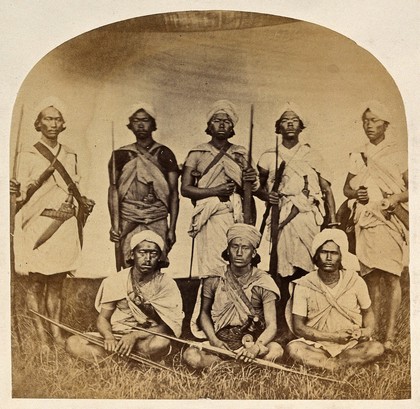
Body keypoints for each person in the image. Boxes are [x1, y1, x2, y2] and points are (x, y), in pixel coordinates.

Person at [10, 105, 94, 350]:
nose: (54, 124)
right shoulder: (27, 154)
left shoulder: (70, 154)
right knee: (36, 282)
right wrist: (14, 190)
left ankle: (56, 335)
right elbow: (20, 195)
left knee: (57, 282)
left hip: (64, 223)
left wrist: (83, 202)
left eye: (58, 119)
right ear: (39, 123)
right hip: (36, 224)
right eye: (48, 119)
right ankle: (41, 337)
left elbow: (73, 188)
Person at [256, 103, 337, 315]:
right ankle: (281, 318)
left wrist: (333, 222)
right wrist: (268, 196)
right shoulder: (268, 156)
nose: (290, 124)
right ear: (278, 126)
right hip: (281, 215)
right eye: (285, 120)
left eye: (294, 120)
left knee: (308, 265)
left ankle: (308, 315)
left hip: (307, 215)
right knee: (281, 268)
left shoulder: (312, 155)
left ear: (301, 126)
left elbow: (326, 189)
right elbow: (258, 187)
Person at [343, 101, 408, 351]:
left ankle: (389, 336)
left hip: (390, 219)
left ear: (386, 124)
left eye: (375, 120)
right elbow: (347, 188)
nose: (369, 125)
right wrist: (355, 194)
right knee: (370, 277)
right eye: (366, 121)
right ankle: (371, 333)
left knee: (391, 277)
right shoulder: (358, 154)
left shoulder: (398, 153)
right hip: (366, 220)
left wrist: (394, 199)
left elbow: (412, 188)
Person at [65, 230, 184, 362]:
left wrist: (134, 335)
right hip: (117, 335)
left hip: (147, 336)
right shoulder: (116, 280)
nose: (148, 259)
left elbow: (167, 326)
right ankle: (130, 358)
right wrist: (108, 337)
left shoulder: (166, 284)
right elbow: (103, 318)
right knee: (73, 342)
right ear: (132, 254)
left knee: (161, 342)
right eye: (142, 253)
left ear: (160, 257)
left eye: (153, 254)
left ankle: (113, 358)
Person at [183, 224, 283, 369]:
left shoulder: (264, 282)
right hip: (221, 341)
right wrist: (214, 341)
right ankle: (244, 367)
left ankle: (225, 367)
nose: (239, 252)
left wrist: (255, 348)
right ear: (228, 250)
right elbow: (203, 313)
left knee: (276, 350)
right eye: (235, 247)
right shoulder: (214, 278)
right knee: (191, 355)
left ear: (254, 253)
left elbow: (271, 325)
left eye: (245, 248)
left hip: (251, 341)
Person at [285, 229, 384, 371]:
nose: (329, 258)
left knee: (376, 348)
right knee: (294, 348)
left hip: (351, 344)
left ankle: (327, 365)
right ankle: (344, 365)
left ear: (341, 257)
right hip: (316, 344)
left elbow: (368, 312)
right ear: (316, 256)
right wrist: (333, 337)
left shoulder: (355, 281)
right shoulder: (304, 284)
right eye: (324, 252)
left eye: (334, 253)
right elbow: (299, 327)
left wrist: (365, 332)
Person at [181, 100, 258, 277]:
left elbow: (253, 186)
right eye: (217, 120)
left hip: (235, 214)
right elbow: (185, 189)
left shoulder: (240, 153)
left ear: (232, 127)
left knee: (238, 262)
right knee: (212, 269)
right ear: (209, 125)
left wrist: (250, 179)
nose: (222, 124)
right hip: (210, 216)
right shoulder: (197, 154)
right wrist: (216, 191)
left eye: (227, 121)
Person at [108, 103, 179, 269]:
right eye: (136, 121)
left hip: (157, 218)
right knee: (128, 265)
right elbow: (113, 191)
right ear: (131, 125)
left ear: (152, 124)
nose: (140, 125)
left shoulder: (165, 154)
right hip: (128, 217)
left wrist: (172, 228)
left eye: (145, 120)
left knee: (154, 263)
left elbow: (174, 193)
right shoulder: (120, 155)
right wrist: (114, 225)